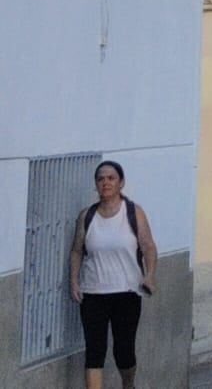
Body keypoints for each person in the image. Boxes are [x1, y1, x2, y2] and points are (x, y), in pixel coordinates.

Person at [68, 161, 156, 389]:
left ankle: (128, 384)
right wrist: (74, 281)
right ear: (96, 184)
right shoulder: (87, 216)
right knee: (94, 352)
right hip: (93, 292)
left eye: (111, 178)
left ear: (121, 183)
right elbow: (76, 250)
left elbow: (148, 246)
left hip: (126, 292)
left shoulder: (133, 212)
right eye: (100, 179)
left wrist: (149, 275)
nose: (105, 182)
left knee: (123, 351)